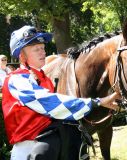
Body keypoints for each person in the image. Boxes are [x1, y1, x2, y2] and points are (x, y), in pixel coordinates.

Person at [1, 25, 120, 160]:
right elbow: (51, 103)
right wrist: (97, 102)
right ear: (22, 57)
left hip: (51, 147)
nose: (43, 52)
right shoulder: (15, 80)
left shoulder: (45, 79)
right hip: (28, 150)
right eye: (36, 49)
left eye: (43, 48)